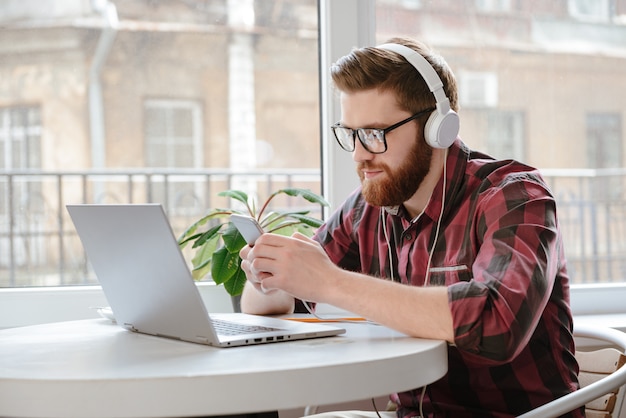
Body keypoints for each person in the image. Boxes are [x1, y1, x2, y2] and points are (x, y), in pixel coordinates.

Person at [238, 37, 582, 418]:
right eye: (350, 134)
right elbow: (285, 302)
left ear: (438, 127)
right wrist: (267, 277)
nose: (359, 154)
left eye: (374, 133)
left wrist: (328, 281)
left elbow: (495, 324)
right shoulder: (369, 206)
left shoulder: (514, 195)